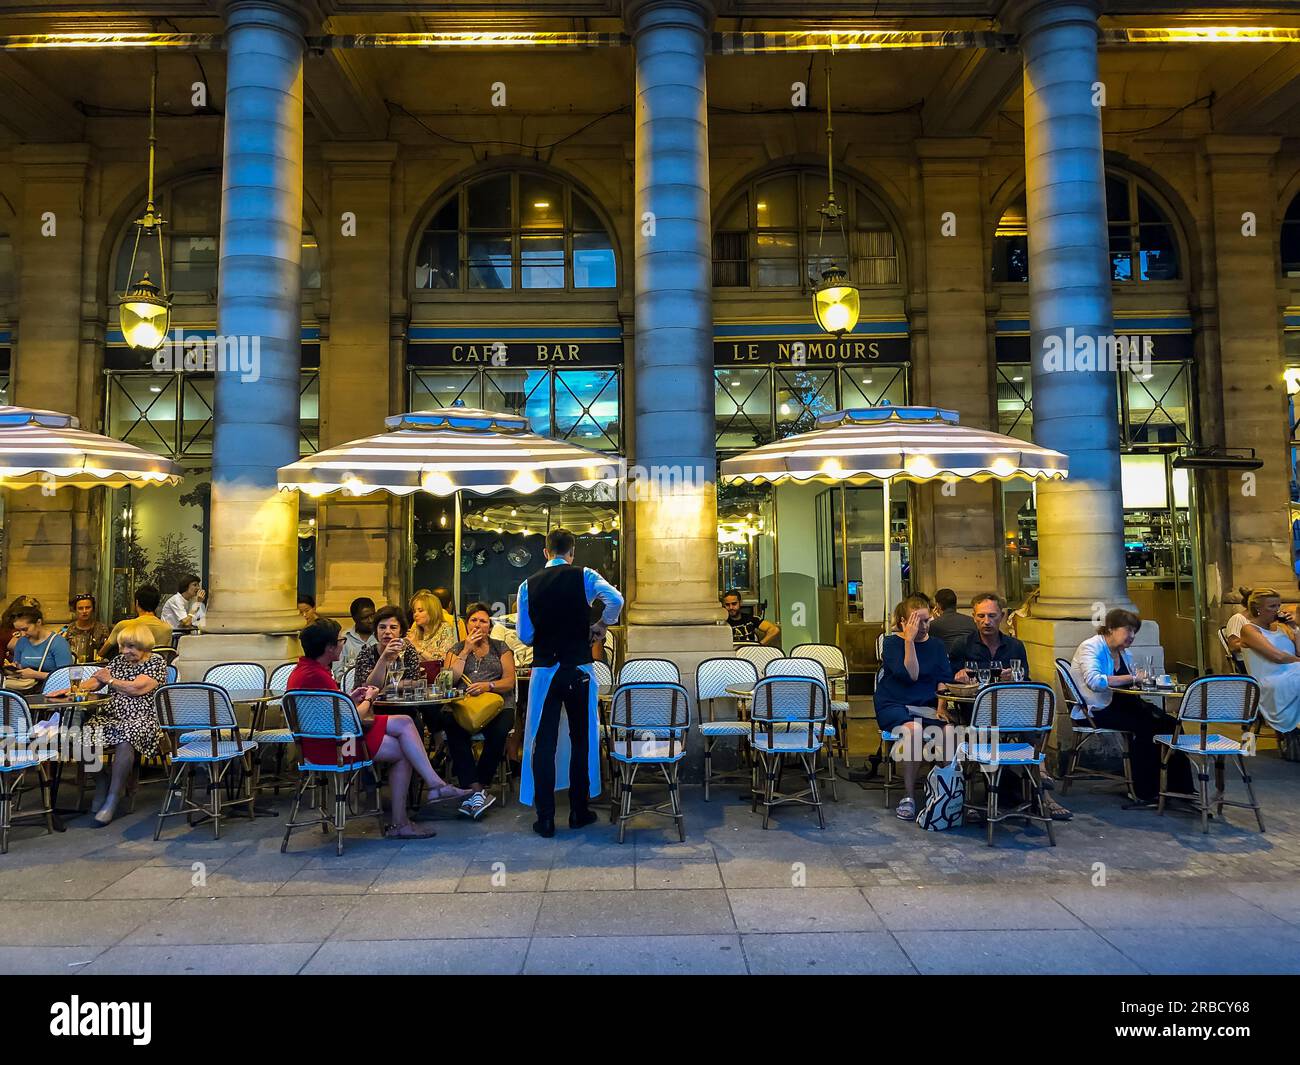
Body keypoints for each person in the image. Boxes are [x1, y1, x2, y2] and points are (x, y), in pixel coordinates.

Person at [287, 617, 470, 839]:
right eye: (340, 640)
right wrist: (369, 699)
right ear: (329, 648)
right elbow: (350, 719)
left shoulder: (306, 671)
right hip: (337, 748)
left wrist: (349, 698)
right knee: (404, 747)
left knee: (404, 721)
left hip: (325, 743)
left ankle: (432, 788)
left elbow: (332, 711)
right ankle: (406, 816)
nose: (343, 643)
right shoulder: (317, 676)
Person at [517, 528, 624, 837]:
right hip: (579, 667)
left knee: (543, 743)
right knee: (581, 739)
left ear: (546, 552)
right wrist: (602, 624)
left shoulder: (528, 585)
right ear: (572, 552)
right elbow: (615, 598)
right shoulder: (585, 576)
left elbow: (525, 636)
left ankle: (546, 817)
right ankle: (579, 811)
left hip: (545, 670)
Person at [949, 592, 1070, 821]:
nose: (987, 621)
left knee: (1031, 727)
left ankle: (1040, 782)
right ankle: (1028, 793)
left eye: (992, 616)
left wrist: (1013, 678)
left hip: (1010, 711)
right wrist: (959, 675)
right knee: (988, 738)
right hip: (975, 713)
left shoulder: (1015, 647)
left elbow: (1025, 680)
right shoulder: (962, 646)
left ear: (1003, 616)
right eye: (981, 616)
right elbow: (948, 679)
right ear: (973, 617)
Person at [1070, 608, 1193, 807]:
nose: (1132, 636)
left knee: (1171, 724)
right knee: (1147, 728)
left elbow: (1131, 681)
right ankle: (1144, 790)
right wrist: (1133, 678)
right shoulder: (1091, 647)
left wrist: (1141, 682)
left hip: (1124, 705)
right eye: (1128, 630)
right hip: (1098, 709)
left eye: (1135, 631)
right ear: (1110, 629)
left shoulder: (1124, 653)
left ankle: (1179, 787)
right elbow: (1095, 682)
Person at [77, 623, 168, 826]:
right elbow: (96, 681)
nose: (125, 651)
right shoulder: (118, 661)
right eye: (123, 646)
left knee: (126, 737)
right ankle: (101, 781)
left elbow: (136, 688)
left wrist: (110, 681)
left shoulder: (156, 662)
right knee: (77, 735)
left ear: (143, 645)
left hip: (143, 718)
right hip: (112, 715)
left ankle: (112, 798)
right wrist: (72, 689)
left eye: (130, 646)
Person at [874, 594, 954, 822]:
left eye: (927, 620)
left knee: (948, 732)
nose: (923, 626)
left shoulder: (936, 645)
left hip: (925, 704)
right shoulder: (891, 643)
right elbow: (912, 675)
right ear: (903, 622)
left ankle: (943, 794)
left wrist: (941, 706)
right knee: (913, 731)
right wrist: (909, 641)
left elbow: (943, 679)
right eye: (917, 621)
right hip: (895, 703)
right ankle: (909, 796)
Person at [440, 602, 517, 820]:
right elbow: (449, 680)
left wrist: (488, 686)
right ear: (466, 624)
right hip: (463, 704)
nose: (477, 624)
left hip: (497, 703)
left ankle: (478, 786)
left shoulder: (500, 647)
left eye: (483, 621)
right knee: (453, 727)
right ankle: (475, 789)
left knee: (499, 732)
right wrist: (465, 651)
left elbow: (510, 681)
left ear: (489, 627)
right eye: (473, 620)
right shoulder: (455, 649)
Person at [1237, 587, 1300, 752]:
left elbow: (1298, 652)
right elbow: (1277, 657)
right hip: (1271, 679)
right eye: (1272, 606)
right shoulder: (1249, 630)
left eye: (1279, 605)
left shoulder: (1282, 628)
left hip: (1292, 672)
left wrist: (1295, 629)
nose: (1277, 610)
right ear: (1258, 609)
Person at [355, 606, 425, 694]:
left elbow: (415, 683)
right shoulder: (365, 654)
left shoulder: (408, 651)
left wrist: (389, 687)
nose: (387, 632)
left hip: (404, 703)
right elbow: (369, 688)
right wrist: (384, 658)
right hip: (373, 704)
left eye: (393, 627)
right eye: (382, 627)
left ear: (400, 632)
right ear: (376, 631)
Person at [99, 586, 175, 659]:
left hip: (131, 670)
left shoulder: (124, 625)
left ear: (137, 602)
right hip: (156, 670)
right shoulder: (167, 628)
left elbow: (102, 652)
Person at [8, 606, 73, 690]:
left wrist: (36, 675)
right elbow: (19, 665)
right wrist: (13, 670)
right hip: (26, 689)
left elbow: (66, 676)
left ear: (38, 622)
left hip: (51, 690)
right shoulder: (22, 642)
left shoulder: (58, 643)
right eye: (19, 630)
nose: (22, 634)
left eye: (25, 629)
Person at [408, 590, 457, 662]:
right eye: (414, 611)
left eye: (420, 611)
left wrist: (418, 648)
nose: (415, 614)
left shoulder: (445, 629)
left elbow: (442, 661)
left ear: (432, 611)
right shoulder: (415, 630)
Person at [928, 588, 978, 658]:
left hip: (948, 663)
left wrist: (935, 620)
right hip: (969, 662)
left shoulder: (933, 624)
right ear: (955, 604)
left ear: (938, 605)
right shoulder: (972, 621)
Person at [336, 597, 377, 680]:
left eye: (373, 616)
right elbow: (338, 671)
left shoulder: (381, 637)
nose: (371, 620)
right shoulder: (344, 639)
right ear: (355, 619)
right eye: (365, 618)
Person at [65, 594, 111, 665]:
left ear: (93, 609)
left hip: (96, 666)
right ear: (75, 610)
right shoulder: (67, 630)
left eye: (88, 607)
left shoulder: (102, 629)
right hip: (72, 666)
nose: (84, 611)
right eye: (80, 608)